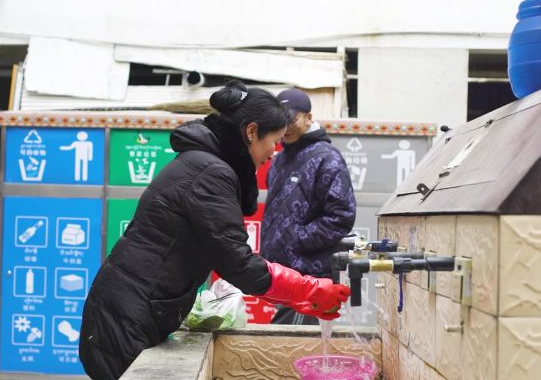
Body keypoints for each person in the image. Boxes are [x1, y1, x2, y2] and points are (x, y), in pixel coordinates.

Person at [79, 81, 351, 380]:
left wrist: (300, 298)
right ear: (251, 132)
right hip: (126, 320)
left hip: (133, 312)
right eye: (272, 140)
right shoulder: (210, 173)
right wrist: (309, 289)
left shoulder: (206, 164)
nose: (274, 151)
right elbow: (239, 264)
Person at [261, 88, 356, 325]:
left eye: (291, 119)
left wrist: (296, 239)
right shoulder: (281, 158)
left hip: (312, 276)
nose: (287, 127)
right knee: (291, 348)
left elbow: (341, 215)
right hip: (284, 274)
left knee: (293, 346)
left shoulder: (327, 157)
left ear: (309, 117)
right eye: (282, 121)